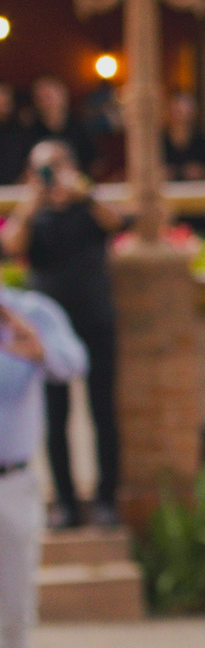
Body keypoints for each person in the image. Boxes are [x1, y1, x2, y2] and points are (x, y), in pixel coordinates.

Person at [1, 142, 124, 530]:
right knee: (56, 418)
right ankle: (66, 504)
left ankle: (106, 501)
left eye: (56, 167)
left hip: (94, 320)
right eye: (43, 169)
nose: (51, 176)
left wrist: (83, 190)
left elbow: (118, 222)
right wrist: (30, 202)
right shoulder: (34, 216)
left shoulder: (86, 209)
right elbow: (9, 246)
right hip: (45, 333)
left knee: (103, 411)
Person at [0, 284, 88, 648]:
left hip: (11, 483)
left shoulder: (33, 311)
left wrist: (41, 350)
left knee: (13, 612)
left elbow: (75, 362)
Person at [25, 79, 91, 175]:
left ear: (63, 96)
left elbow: (94, 162)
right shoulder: (28, 131)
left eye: (49, 96)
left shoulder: (81, 127)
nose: (46, 103)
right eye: (40, 98)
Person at [162, 92, 205, 181]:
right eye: (177, 111)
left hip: (196, 192)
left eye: (184, 112)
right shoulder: (159, 142)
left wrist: (200, 172)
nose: (180, 117)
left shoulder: (201, 142)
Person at [0, 87, 34, 190]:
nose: (3, 101)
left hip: (16, 192)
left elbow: (29, 163)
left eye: (7, 98)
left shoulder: (21, 130)